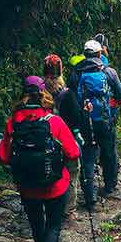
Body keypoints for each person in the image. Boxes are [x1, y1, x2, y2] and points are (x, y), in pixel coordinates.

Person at [0, 76, 80, 242]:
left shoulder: (14, 122)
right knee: (53, 224)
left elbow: (5, 157)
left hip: (27, 186)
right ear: (44, 93)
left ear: (22, 94)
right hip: (54, 184)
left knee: (37, 225)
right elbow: (73, 152)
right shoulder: (54, 121)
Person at [75, 40, 121, 196]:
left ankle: (90, 195)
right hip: (105, 120)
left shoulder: (76, 72)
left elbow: (73, 97)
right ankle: (110, 185)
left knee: (88, 156)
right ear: (99, 54)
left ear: (84, 54)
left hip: (85, 121)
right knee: (109, 152)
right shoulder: (109, 72)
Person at [43, 54, 86, 219]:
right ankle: (68, 210)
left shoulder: (38, 92)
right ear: (61, 72)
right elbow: (76, 117)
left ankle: (48, 206)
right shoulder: (67, 93)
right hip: (65, 140)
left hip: (44, 141)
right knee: (71, 172)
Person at [67, 54, 101, 211]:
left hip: (70, 128)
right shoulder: (89, 78)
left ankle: (66, 202)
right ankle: (90, 197)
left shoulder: (68, 85)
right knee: (88, 160)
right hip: (87, 123)